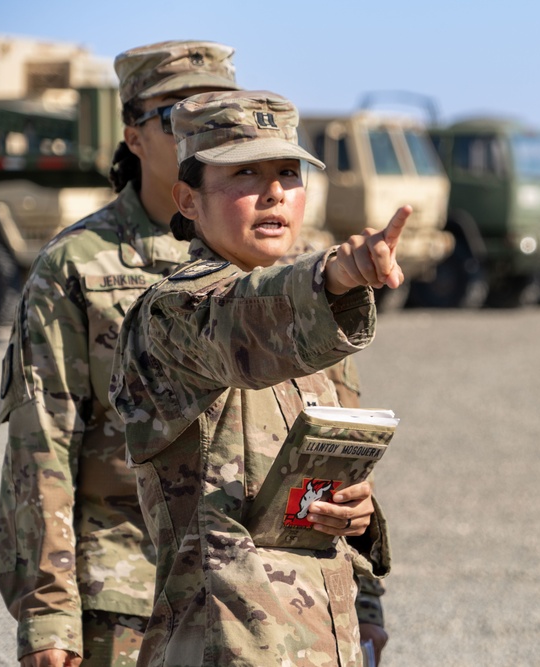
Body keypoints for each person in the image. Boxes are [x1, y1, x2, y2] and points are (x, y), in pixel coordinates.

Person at [108, 89, 405, 667]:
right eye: (246, 172)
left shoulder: (306, 323)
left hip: (319, 642)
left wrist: (355, 515)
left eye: (288, 173)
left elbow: (302, 491)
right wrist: (338, 274)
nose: (274, 192)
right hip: (221, 645)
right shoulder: (173, 314)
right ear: (187, 200)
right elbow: (244, 315)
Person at [0, 40, 240, 667]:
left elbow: (329, 435)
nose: (199, 129)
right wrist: (48, 616)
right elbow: (41, 446)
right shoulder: (78, 265)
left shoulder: (265, 260)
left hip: (255, 601)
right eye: (175, 113)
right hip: (129, 598)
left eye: (218, 109)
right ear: (132, 134)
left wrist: (363, 599)